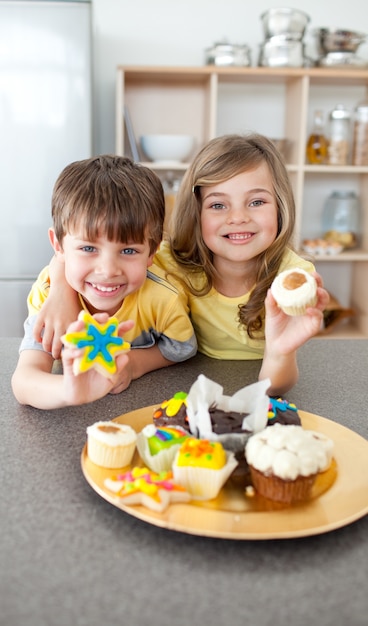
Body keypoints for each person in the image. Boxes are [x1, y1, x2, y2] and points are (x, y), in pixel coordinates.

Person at [32, 134, 329, 395]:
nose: (238, 217)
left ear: (280, 205)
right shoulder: (173, 261)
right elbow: (88, 248)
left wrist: (279, 352)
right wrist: (61, 292)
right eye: (217, 204)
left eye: (256, 202)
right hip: (187, 382)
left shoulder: (292, 281)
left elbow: (274, 386)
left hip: (259, 382)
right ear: (196, 211)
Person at [11, 155, 197, 409]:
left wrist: (133, 365)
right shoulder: (48, 297)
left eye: (129, 251)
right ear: (58, 246)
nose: (108, 270)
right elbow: (25, 380)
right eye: (88, 248)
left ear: (152, 252)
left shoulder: (163, 300)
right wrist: (68, 391)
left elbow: (181, 347)